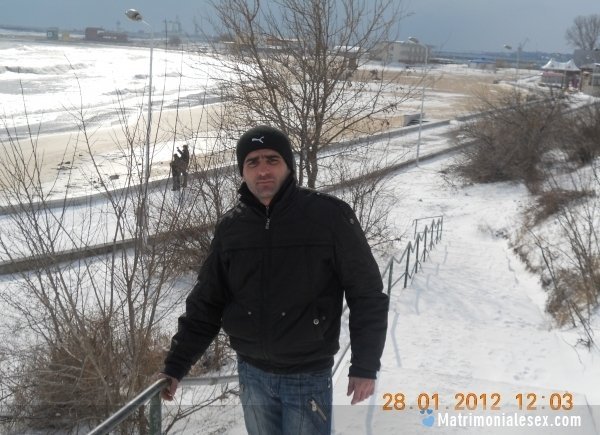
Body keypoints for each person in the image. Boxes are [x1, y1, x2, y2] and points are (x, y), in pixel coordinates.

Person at [159, 125, 388, 435]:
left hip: (307, 376)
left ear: (288, 166)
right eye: (252, 162)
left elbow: (367, 294)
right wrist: (176, 365)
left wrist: (365, 365)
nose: (263, 170)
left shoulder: (329, 217)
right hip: (252, 375)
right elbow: (206, 303)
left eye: (272, 159)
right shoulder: (231, 228)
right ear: (242, 171)